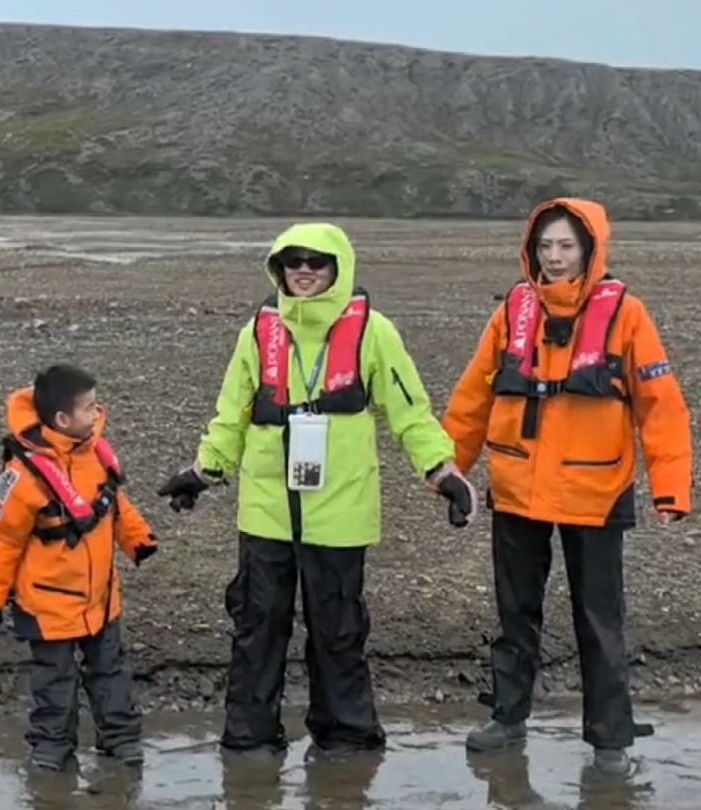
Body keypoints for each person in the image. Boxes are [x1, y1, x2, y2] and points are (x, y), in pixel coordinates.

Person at [156, 222, 477, 758]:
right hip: (265, 512)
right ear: (278, 268)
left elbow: (410, 412)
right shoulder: (257, 333)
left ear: (339, 267)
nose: (304, 270)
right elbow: (230, 413)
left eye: (317, 260)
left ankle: (346, 740)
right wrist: (204, 472)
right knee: (257, 630)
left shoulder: (374, 332)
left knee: (339, 631)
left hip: (341, 511)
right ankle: (250, 740)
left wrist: (443, 473)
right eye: (292, 260)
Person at [441, 197, 693, 776]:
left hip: (595, 490)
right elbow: (473, 396)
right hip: (517, 486)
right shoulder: (512, 311)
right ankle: (508, 719)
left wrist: (670, 488)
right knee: (515, 613)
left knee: (599, 619)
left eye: (567, 246)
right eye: (545, 246)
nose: (554, 258)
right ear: (531, 250)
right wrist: (448, 468)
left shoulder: (626, 313)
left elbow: (661, 406)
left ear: (590, 250)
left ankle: (610, 740)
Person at [0, 364, 159, 772]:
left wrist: (138, 539)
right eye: (89, 408)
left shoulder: (94, 454)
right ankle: (52, 749)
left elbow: (114, 505)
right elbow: (1, 538)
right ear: (62, 419)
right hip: (48, 606)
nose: (98, 414)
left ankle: (120, 740)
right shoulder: (23, 475)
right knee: (54, 682)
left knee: (111, 672)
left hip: (101, 596)